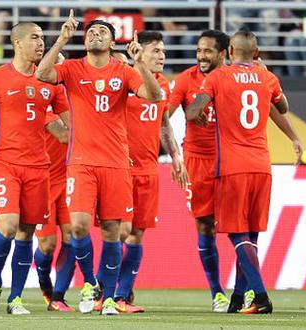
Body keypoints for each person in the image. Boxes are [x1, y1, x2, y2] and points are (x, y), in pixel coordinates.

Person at [36, 11, 163, 315]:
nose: (96, 35)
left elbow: (154, 95)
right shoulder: (72, 68)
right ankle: (91, 282)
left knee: (111, 231)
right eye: (91, 32)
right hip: (80, 162)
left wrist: (140, 64)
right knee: (78, 227)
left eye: (102, 32)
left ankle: (107, 298)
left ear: (111, 41)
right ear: (85, 39)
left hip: (116, 163)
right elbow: (42, 74)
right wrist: (62, 39)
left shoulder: (123, 71)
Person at [0, 22, 69, 315]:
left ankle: (16, 298)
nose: (41, 43)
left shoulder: (52, 81)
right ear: (17, 43)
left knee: (26, 232)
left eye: (43, 39)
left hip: (39, 167)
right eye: (35, 38)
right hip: (7, 163)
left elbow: (70, 126)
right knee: (8, 225)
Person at [186, 29, 293, 314]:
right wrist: (266, 77)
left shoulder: (218, 77)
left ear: (230, 52)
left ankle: (260, 295)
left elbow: (192, 111)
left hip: (232, 167)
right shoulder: (267, 78)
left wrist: (207, 115)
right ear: (256, 54)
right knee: (252, 235)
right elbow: (283, 106)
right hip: (262, 165)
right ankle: (238, 296)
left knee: (235, 233)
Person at [115, 31, 188, 313]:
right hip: (120, 168)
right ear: (139, 53)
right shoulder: (122, 80)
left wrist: (175, 155)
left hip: (149, 169)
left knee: (136, 234)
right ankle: (104, 287)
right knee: (119, 231)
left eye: (163, 51)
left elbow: (164, 124)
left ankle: (120, 294)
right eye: (155, 50)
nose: (161, 56)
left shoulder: (163, 87)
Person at [167, 29, 232, 312]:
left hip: (232, 160)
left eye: (207, 51)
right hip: (197, 162)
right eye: (199, 50)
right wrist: (175, 156)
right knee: (204, 225)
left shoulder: (235, 78)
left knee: (240, 228)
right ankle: (217, 292)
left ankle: (246, 289)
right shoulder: (185, 79)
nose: (201, 56)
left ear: (223, 54)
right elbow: (162, 118)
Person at [33, 51, 76, 313]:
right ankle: (43, 279)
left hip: (70, 178)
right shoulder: (40, 99)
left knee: (73, 237)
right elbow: (62, 136)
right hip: (44, 180)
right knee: (47, 245)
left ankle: (59, 296)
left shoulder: (73, 98)